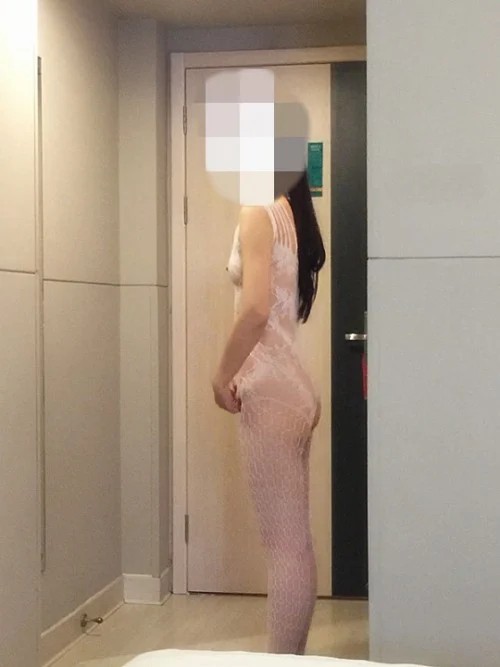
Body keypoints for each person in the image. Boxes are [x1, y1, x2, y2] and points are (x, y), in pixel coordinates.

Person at [211, 171, 326, 655]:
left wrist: (221, 376)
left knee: (284, 548)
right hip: (294, 386)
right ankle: (292, 659)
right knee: (295, 545)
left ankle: (282, 661)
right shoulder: (289, 211)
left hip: (269, 391)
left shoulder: (258, 210)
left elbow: (256, 310)